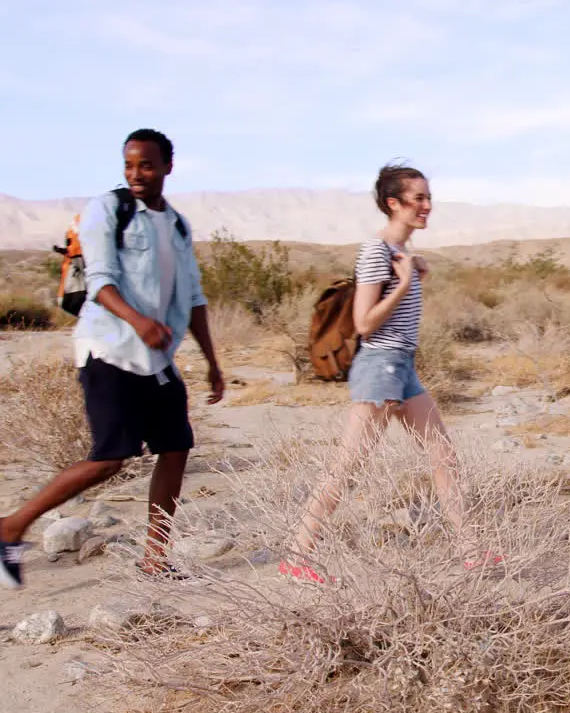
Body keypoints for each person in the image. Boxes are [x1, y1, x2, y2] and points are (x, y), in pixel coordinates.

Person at [0, 128, 224, 589]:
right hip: (108, 349)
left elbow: (195, 298)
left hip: (157, 360)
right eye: (129, 165)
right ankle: (10, 526)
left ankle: (155, 560)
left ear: (167, 167)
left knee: (176, 447)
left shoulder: (177, 225)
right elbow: (100, 280)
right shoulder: (108, 209)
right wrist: (140, 321)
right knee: (111, 458)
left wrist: (213, 363)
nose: (136, 174)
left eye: (146, 164)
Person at [279, 162, 494, 585]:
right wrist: (401, 283)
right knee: (347, 467)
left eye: (429, 197)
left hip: (403, 367)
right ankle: (297, 556)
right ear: (393, 203)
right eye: (418, 199)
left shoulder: (401, 255)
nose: (427, 206)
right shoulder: (376, 252)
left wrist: (413, 273)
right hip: (380, 368)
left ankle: (471, 550)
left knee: (443, 456)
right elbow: (364, 323)